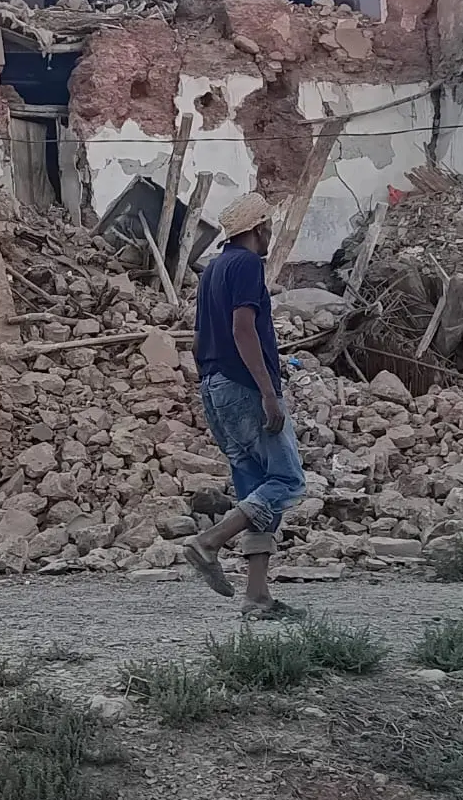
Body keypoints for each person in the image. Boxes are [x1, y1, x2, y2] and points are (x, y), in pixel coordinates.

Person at [183, 192, 306, 620]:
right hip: (244, 386)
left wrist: (209, 384)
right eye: (268, 227)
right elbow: (243, 328)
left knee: (257, 493)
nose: (270, 233)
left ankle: (257, 597)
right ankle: (209, 542)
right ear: (257, 230)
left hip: (215, 386)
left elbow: (199, 340)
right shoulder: (248, 265)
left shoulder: (212, 270)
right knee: (287, 481)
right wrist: (268, 391)